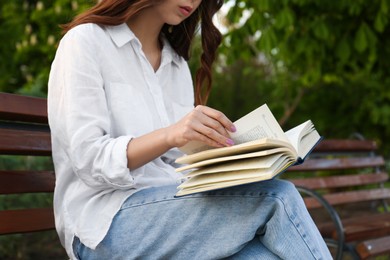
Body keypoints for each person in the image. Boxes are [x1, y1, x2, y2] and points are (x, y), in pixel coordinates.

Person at [47, 0, 333, 259]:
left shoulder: (176, 64)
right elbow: (88, 158)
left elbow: (178, 164)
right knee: (277, 198)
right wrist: (172, 134)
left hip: (177, 214)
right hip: (103, 226)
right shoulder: (85, 42)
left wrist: (229, 161)